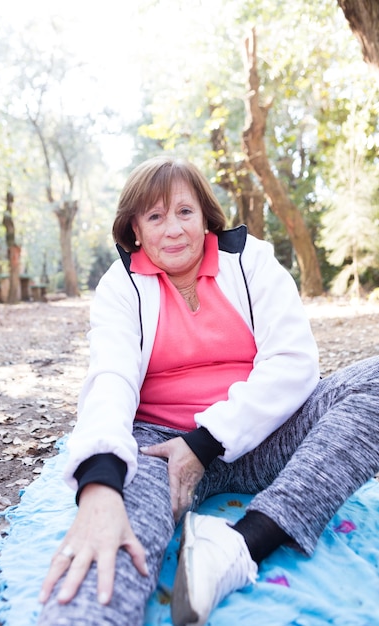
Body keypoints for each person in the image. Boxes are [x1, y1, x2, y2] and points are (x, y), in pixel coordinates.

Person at [37, 155, 379, 626]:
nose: (173, 229)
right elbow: (110, 378)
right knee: (109, 544)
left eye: (184, 211)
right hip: (162, 448)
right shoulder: (121, 287)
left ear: (205, 217)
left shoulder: (250, 259)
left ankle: (244, 543)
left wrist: (207, 442)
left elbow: (294, 363)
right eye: (155, 216)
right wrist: (100, 481)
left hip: (265, 435)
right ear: (135, 229)